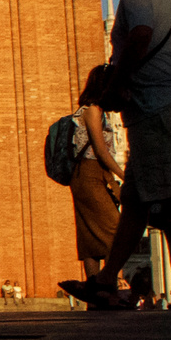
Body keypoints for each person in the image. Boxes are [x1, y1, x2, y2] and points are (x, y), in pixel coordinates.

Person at [63, 0, 171, 309]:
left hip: (157, 113)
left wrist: (118, 81)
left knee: (170, 208)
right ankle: (105, 281)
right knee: (134, 203)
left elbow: (141, 35)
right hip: (162, 111)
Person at [68, 65, 125, 279]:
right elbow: (100, 150)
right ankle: (106, 284)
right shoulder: (91, 109)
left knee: (90, 236)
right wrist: (123, 174)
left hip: (94, 175)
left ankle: (96, 289)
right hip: (90, 173)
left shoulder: (100, 111)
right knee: (115, 231)